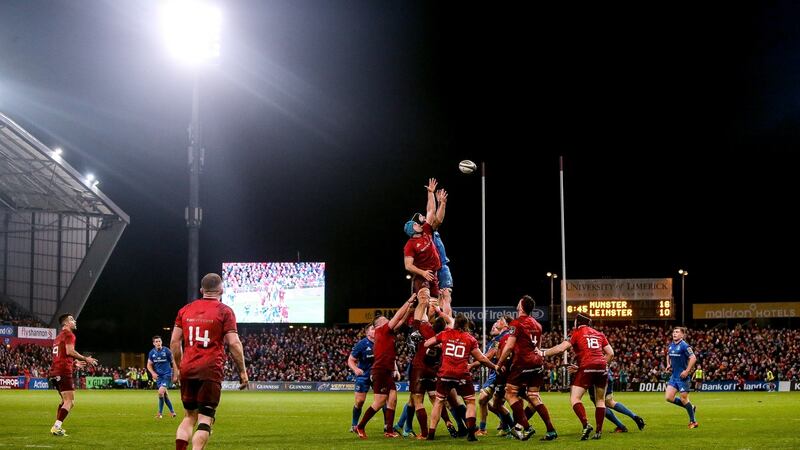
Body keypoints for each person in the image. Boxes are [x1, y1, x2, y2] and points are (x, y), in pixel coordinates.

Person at [171, 273, 248, 450]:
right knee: (205, 418)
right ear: (221, 290)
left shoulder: (185, 310)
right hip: (210, 370)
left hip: (188, 368)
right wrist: (242, 372)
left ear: (201, 290)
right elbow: (234, 343)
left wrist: (179, 366)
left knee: (189, 416)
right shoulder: (225, 311)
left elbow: (175, 342)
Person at [424, 314, 499, 441]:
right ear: (465, 325)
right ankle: (471, 434)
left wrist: (440, 345)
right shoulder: (470, 339)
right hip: (461, 374)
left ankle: (431, 434)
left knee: (438, 402)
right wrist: (494, 366)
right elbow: (481, 358)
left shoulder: (445, 334)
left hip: (445, 373)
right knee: (470, 402)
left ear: (455, 324)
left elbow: (426, 344)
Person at [540, 313, 614, 440]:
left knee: (575, 398)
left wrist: (543, 352)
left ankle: (586, 424)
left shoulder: (577, 332)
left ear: (577, 322)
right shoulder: (599, 333)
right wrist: (603, 365)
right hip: (601, 367)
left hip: (586, 366)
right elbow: (610, 353)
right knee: (600, 400)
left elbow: (560, 349)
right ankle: (598, 432)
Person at [496, 295, 558, 441]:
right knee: (534, 397)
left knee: (510, 394)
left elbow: (510, 346)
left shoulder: (516, 324)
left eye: (519, 302)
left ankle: (527, 427)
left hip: (522, 363)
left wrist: (499, 363)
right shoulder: (538, 324)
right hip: (537, 364)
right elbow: (539, 347)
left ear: (521, 306)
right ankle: (551, 430)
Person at [354, 293, 416, 439]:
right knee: (380, 401)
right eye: (386, 319)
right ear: (380, 324)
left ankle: (389, 430)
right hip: (380, 369)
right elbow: (397, 317)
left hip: (387, 370)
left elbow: (401, 320)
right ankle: (360, 426)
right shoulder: (381, 330)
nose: (389, 320)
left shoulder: (387, 331)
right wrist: (409, 301)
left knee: (393, 398)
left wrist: (409, 310)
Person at [48, 313, 99, 437]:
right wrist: (85, 358)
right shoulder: (69, 335)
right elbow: (70, 351)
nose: (75, 321)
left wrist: (74, 363)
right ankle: (56, 427)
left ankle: (57, 426)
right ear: (66, 323)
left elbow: (62, 355)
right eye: (72, 319)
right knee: (69, 401)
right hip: (63, 372)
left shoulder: (58, 337)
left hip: (55, 371)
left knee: (65, 401)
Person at [404, 178, 447, 307]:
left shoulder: (426, 231)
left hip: (433, 273)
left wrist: (430, 193)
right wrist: (423, 272)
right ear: (413, 229)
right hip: (422, 276)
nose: (419, 223)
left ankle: (428, 325)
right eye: (416, 224)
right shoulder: (410, 244)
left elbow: (431, 211)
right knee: (422, 302)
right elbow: (408, 265)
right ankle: (417, 325)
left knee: (434, 305)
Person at [411, 185, 452, 315]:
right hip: (431, 270)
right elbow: (433, 213)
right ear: (417, 225)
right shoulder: (424, 232)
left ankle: (447, 328)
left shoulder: (429, 231)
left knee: (444, 297)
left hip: (441, 265)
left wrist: (442, 203)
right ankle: (431, 327)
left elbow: (436, 218)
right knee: (434, 301)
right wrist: (432, 195)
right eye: (421, 218)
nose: (423, 216)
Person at [587, 368, 645, 432]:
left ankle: (621, 426)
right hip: (607, 375)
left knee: (599, 404)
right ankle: (634, 416)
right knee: (610, 402)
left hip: (595, 377)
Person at [347, 324, 382, 432]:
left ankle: (387, 427)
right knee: (360, 401)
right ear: (367, 332)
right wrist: (355, 369)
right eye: (373, 329)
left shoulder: (382, 342)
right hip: (364, 376)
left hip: (378, 375)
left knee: (382, 400)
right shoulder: (361, 344)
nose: (375, 330)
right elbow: (350, 360)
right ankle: (354, 425)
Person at [664, 326, 698, 429]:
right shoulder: (671, 345)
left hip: (683, 377)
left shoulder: (685, 346)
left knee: (684, 399)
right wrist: (668, 364)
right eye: (674, 332)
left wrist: (687, 371)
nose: (674, 334)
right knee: (669, 397)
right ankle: (691, 407)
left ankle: (693, 421)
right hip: (674, 377)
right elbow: (668, 355)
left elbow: (693, 358)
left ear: (682, 335)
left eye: (677, 332)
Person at [148, 335, 179, 418]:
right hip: (159, 377)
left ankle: (159, 413)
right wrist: (153, 373)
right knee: (164, 395)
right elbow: (149, 365)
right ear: (154, 343)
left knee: (160, 392)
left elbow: (174, 363)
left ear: (161, 342)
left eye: (159, 341)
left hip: (167, 375)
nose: (158, 343)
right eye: (156, 342)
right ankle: (172, 412)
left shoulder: (167, 351)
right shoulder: (152, 353)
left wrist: (175, 375)